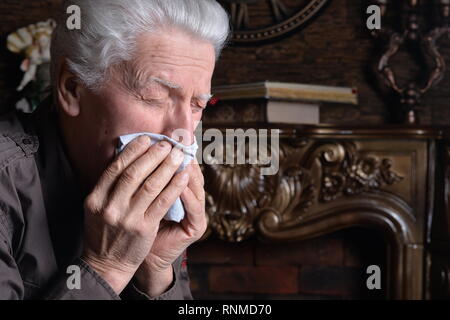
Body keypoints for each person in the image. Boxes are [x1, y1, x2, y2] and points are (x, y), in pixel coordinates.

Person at [0, 0, 229, 300]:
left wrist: (155, 269)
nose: (184, 134)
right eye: (155, 96)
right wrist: (108, 267)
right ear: (72, 87)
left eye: (198, 105)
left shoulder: (146, 208)